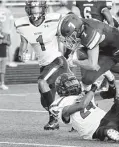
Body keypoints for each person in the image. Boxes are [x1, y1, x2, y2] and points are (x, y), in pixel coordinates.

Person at [14, 0, 71, 130]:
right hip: (44, 65)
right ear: (28, 9)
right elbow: (24, 44)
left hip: (57, 61)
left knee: (42, 82)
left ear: (43, 9)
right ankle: (70, 116)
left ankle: (54, 119)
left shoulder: (54, 19)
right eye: (33, 9)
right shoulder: (22, 24)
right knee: (45, 102)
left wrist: (71, 52)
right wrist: (22, 55)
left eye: (38, 9)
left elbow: (67, 33)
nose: (35, 12)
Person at [73, 0, 119, 91]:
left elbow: (113, 24)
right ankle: (118, 75)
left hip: (100, 36)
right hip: (91, 34)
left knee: (99, 60)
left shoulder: (104, 12)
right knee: (95, 60)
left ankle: (105, 82)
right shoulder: (91, 5)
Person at [0, 0, 17, 67]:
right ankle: (10, 62)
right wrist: (10, 30)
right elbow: (12, 21)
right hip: (6, 31)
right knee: (9, 46)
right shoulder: (8, 11)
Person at [0, 21, 11, 90]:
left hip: (4, 55)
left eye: (0, 25)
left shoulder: (6, 34)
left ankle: (2, 84)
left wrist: (3, 41)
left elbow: (9, 43)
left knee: (2, 70)